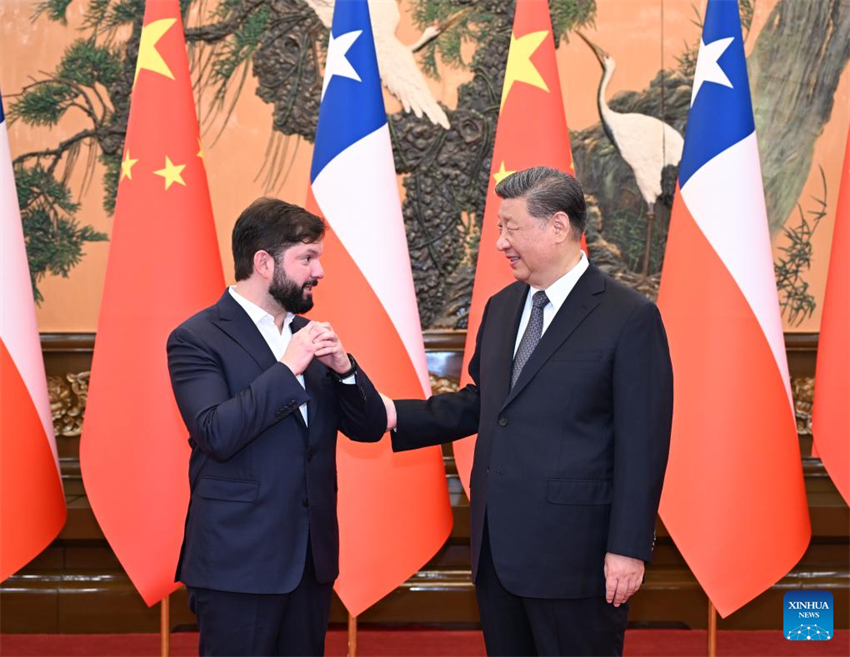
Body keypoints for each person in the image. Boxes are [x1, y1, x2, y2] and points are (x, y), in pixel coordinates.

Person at [382, 167, 673, 656]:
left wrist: (627, 548)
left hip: (576, 560)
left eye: (510, 227)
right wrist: (393, 414)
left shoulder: (629, 316)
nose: (500, 242)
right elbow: (486, 402)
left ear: (558, 226)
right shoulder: (501, 307)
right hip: (497, 553)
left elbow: (642, 446)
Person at [167, 197, 386, 657]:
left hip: (310, 562)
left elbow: (368, 429)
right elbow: (216, 433)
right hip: (237, 563)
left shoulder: (310, 335)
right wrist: (287, 369)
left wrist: (344, 369)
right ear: (264, 263)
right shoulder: (196, 338)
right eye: (307, 258)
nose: (319, 271)